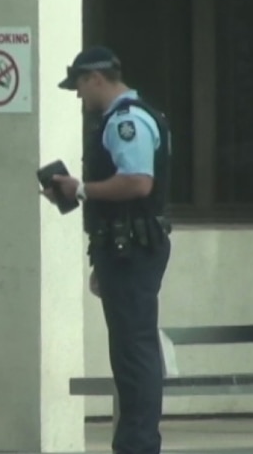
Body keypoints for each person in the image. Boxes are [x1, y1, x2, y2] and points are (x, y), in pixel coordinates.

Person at [44, 46, 172, 454]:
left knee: (134, 351)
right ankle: (136, 441)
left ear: (94, 78)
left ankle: (138, 444)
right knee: (131, 348)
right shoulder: (141, 114)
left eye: (79, 87)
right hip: (124, 248)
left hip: (131, 247)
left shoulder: (125, 121)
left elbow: (138, 182)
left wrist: (79, 189)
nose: (80, 97)